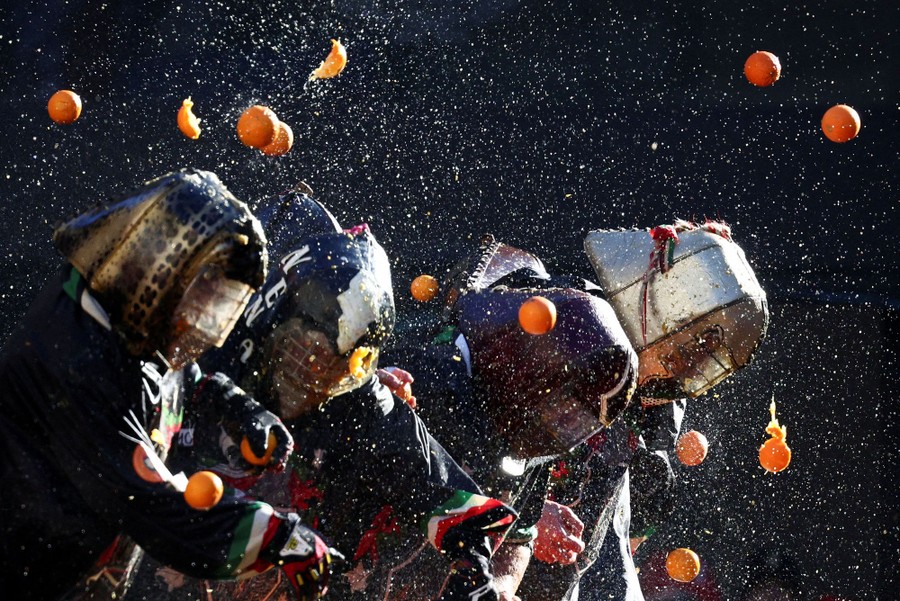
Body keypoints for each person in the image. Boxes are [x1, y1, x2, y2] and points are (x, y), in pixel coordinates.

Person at [132, 188, 518, 601]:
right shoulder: (188, 351)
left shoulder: (354, 392)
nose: (315, 382)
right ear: (269, 312)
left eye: (337, 368)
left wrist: (473, 565)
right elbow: (122, 481)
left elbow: (427, 477)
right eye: (306, 353)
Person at [0, 170, 333, 601]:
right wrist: (277, 537)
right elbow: (152, 503)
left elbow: (178, 379)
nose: (206, 319)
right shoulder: (76, 356)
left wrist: (238, 410)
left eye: (220, 300)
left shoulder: (129, 319)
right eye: (207, 290)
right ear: (162, 259)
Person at [381, 234, 640, 600]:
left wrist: (502, 590)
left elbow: (519, 538)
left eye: (575, 421)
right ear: (531, 367)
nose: (559, 426)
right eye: (560, 405)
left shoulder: (529, 452)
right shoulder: (417, 380)